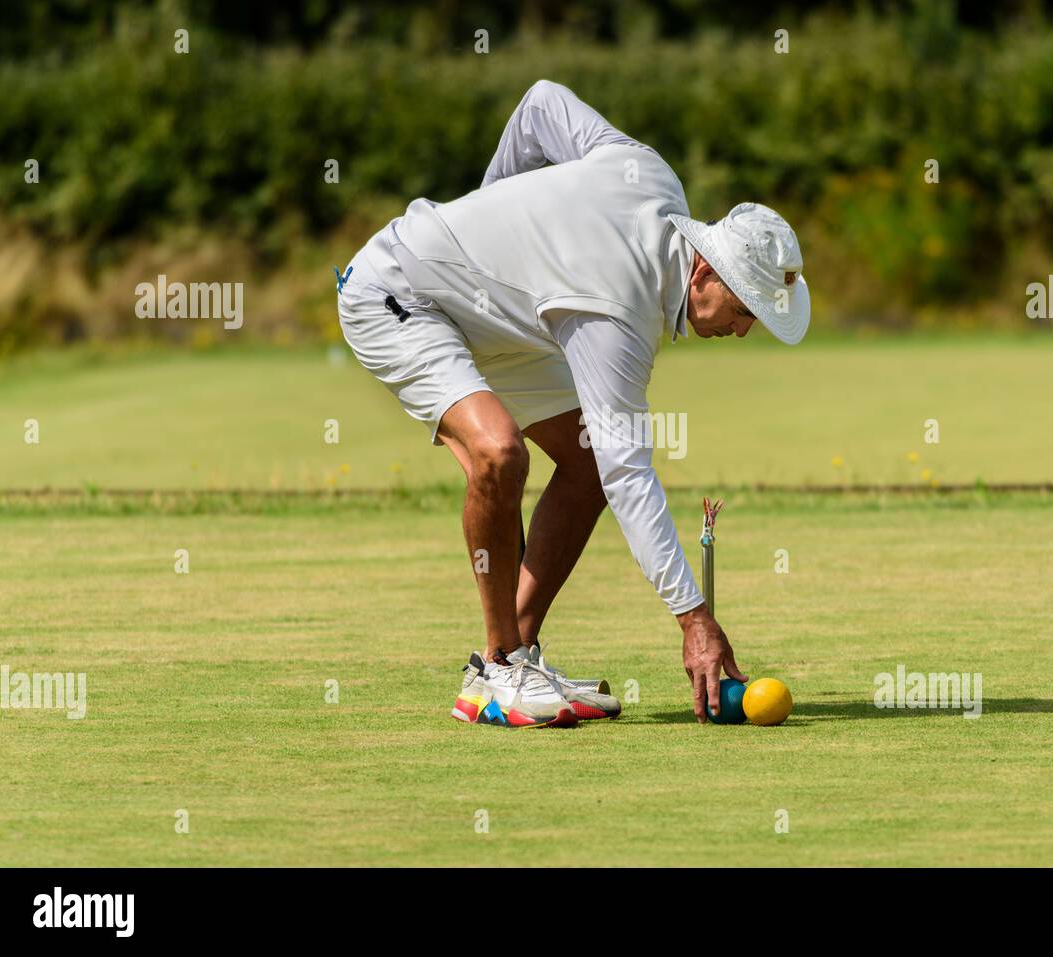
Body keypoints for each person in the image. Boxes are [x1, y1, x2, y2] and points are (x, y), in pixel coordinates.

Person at [337, 80, 810, 727]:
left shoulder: (652, 177)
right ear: (704, 273)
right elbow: (631, 475)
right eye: (747, 307)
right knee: (499, 450)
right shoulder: (619, 312)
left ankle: (510, 659)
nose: (747, 327)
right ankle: (498, 673)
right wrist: (695, 619)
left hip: (501, 322)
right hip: (396, 292)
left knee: (583, 460)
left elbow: (540, 105)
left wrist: (488, 224)